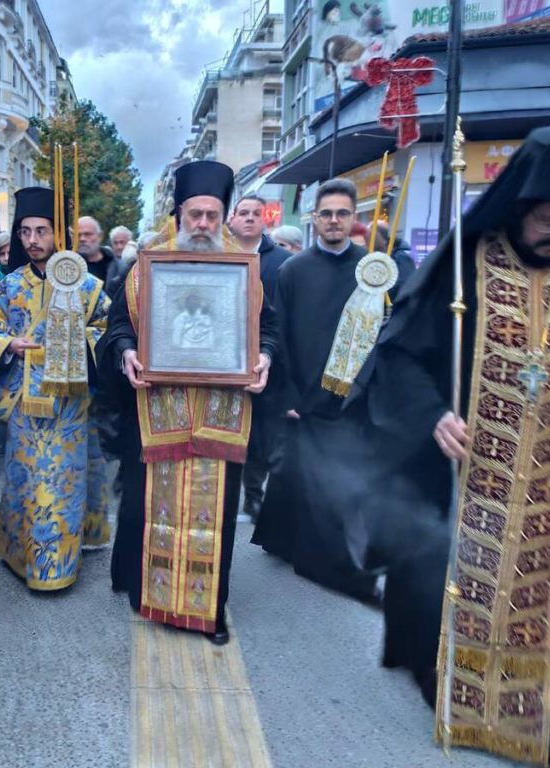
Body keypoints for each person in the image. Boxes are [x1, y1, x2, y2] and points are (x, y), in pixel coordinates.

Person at [357, 127, 550, 768]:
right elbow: (400, 355)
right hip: (468, 470)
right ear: (521, 206)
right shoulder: (465, 262)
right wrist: (435, 416)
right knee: (446, 588)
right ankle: (459, 695)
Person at [99, 160, 277, 645]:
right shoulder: (145, 270)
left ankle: (208, 611)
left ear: (223, 218)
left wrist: (264, 358)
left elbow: (269, 331)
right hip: (157, 412)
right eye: (194, 215)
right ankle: (148, 596)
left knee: (214, 516)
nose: (202, 225)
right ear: (178, 215)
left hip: (222, 416)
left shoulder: (246, 273)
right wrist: (127, 352)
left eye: (211, 216)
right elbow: (117, 329)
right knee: (146, 508)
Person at [251, 178, 413, 601]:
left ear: (354, 219)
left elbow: (391, 335)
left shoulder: (375, 272)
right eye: (327, 214)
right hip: (303, 394)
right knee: (294, 473)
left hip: (355, 396)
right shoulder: (293, 270)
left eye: (343, 213)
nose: (335, 221)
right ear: (315, 220)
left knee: (341, 478)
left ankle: (326, 556)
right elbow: (277, 333)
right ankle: (286, 542)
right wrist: (284, 395)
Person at [0, 187, 109, 589]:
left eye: (41, 231)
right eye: (25, 231)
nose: (32, 240)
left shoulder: (88, 287)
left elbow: (109, 333)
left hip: (71, 404)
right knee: (27, 481)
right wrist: (8, 343)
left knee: (63, 483)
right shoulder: (7, 287)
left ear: (58, 234)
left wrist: (80, 341)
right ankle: (21, 553)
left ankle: (57, 567)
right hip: (24, 403)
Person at [228, 195, 292, 522]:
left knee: (260, 434)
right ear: (232, 219)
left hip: (266, 360)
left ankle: (253, 494)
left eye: (256, 213)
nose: (250, 219)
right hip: (222, 362)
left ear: (264, 220)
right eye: (244, 213)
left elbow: (285, 314)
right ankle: (228, 493)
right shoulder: (218, 254)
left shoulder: (282, 261)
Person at [77, 215, 115, 283]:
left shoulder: (116, 266)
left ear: (100, 236)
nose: (82, 239)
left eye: (88, 234)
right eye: (78, 235)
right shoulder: (70, 265)